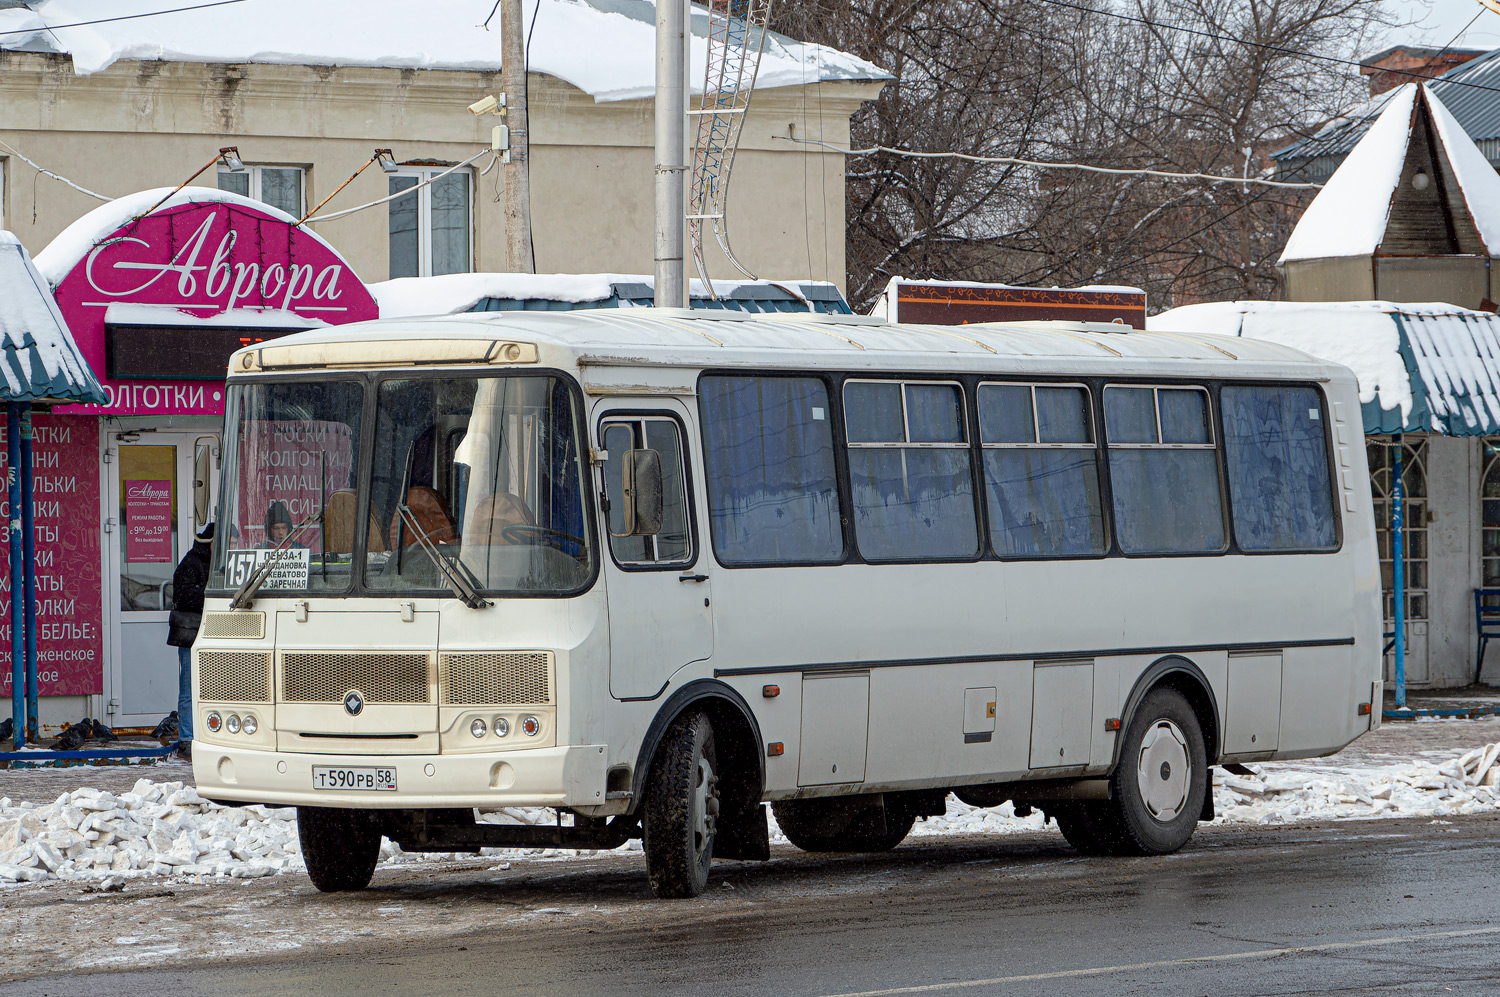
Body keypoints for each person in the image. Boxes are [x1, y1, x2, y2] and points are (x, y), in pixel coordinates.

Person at [167, 523, 214, 760]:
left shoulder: (223, 564)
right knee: (189, 687)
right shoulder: (191, 563)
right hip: (193, 634)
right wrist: (212, 592)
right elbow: (183, 595)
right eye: (229, 541)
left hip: (215, 633)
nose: (232, 547)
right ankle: (187, 737)